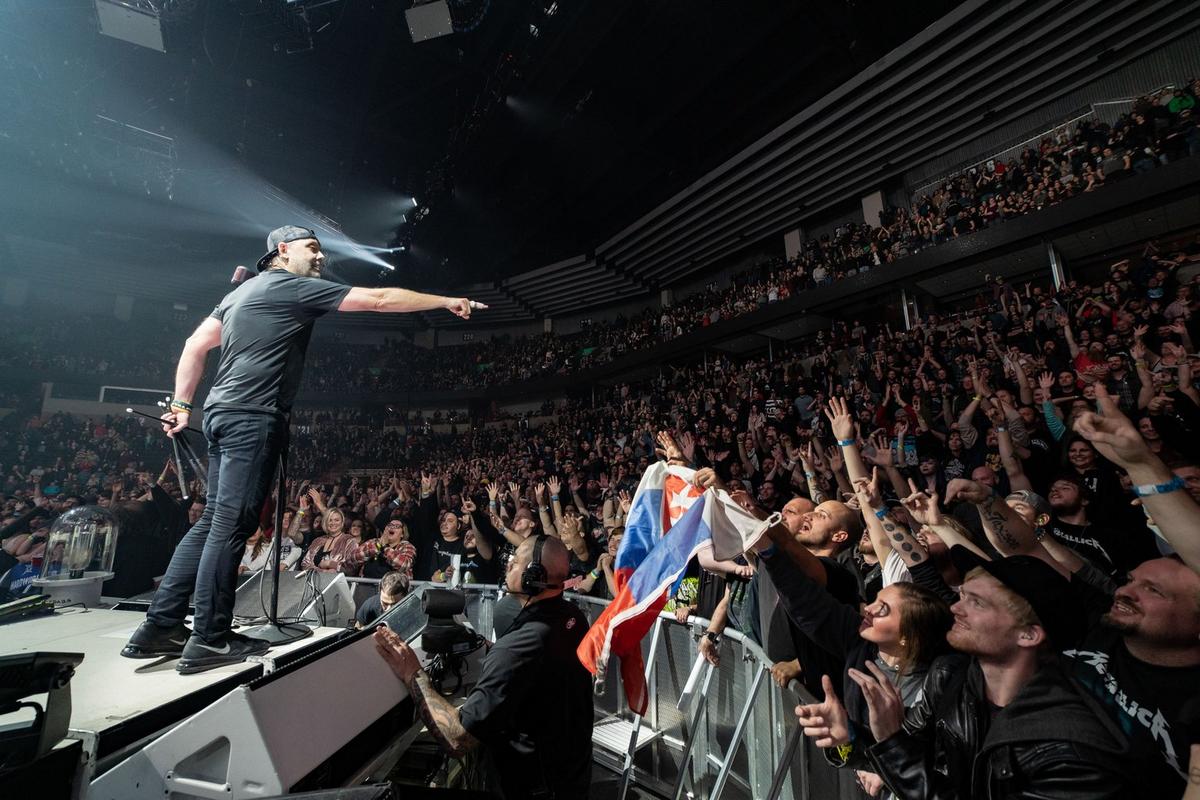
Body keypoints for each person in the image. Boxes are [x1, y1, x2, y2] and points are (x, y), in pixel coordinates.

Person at [122, 225, 483, 673]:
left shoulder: (238, 295)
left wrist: (181, 405)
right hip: (253, 414)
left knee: (214, 519)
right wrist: (444, 300)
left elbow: (195, 345)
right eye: (312, 248)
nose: (320, 257)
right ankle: (210, 638)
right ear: (282, 251)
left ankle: (160, 625)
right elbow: (378, 299)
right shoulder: (289, 286)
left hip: (219, 412)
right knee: (231, 525)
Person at [797, 548, 1135, 799]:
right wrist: (852, 737)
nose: (956, 608)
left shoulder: (1073, 753)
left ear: (1029, 635)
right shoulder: (952, 676)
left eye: (977, 602)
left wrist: (891, 742)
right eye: (962, 597)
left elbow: (901, 753)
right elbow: (912, 753)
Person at [373, 534, 593, 799]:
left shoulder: (517, 648)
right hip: (571, 776)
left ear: (533, 575)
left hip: (533, 787)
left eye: (516, 561)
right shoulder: (573, 617)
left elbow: (457, 738)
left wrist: (412, 672)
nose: (508, 564)